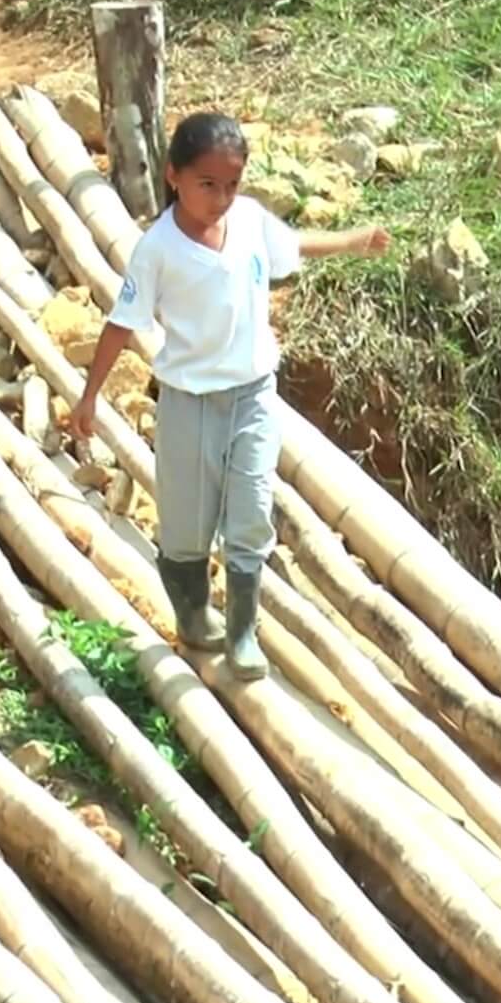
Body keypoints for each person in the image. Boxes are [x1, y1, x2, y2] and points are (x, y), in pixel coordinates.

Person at [68, 112, 389, 679]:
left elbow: (294, 245)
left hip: (253, 396)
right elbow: (123, 322)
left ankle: (243, 633)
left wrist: (353, 241)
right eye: (207, 185)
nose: (221, 198)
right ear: (174, 177)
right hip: (190, 403)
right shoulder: (159, 249)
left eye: (232, 184)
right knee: (187, 526)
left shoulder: (248, 221)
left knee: (250, 513)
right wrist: (90, 396)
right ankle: (193, 616)